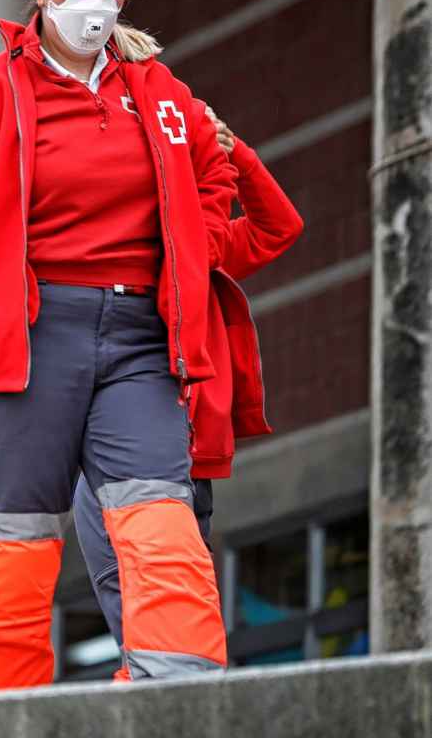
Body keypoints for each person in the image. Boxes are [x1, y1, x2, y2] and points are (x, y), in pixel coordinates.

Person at [0, 0, 238, 691]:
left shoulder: (157, 93)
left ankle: (174, 696)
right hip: (28, 339)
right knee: (9, 541)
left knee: (163, 523)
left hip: (138, 341)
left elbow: (215, 173)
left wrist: (196, 245)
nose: (97, 2)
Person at [73, 103, 303, 676]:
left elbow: (281, 226)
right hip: (108, 460)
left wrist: (233, 152)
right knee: (135, 607)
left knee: (176, 610)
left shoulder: (201, 254)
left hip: (185, 461)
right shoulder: (111, 264)